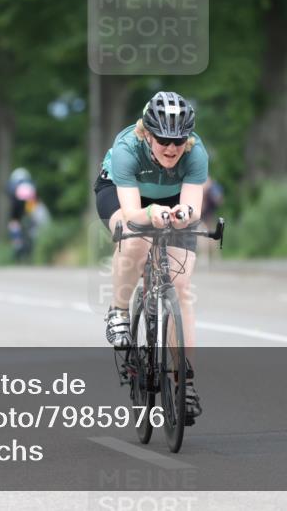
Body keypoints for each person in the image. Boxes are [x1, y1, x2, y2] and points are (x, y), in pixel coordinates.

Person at [94, 91, 207, 423]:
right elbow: (131, 213)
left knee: (182, 286)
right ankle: (118, 311)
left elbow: (193, 208)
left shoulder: (195, 153)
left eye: (179, 140)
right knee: (136, 238)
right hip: (120, 193)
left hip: (171, 197)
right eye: (163, 140)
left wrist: (181, 213)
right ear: (147, 133)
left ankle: (183, 381)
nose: (171, 148)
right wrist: (153, 212)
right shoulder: (127, 149)